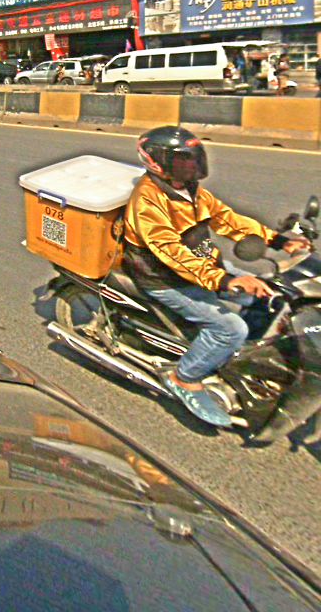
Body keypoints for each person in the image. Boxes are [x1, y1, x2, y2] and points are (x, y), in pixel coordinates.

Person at [123, 125, 309, 426]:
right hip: (166, 279)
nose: (191, 164)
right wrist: (225, 281)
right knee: (230, 329)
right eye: (182, 159)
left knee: (268, 295)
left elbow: (229, 220)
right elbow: (172, 254)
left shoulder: (192, 190)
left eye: (193, 157)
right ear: (156, 162)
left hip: (204, 266)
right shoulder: (148, 201)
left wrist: (279, 241)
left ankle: (236, 358)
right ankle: (184, 377)